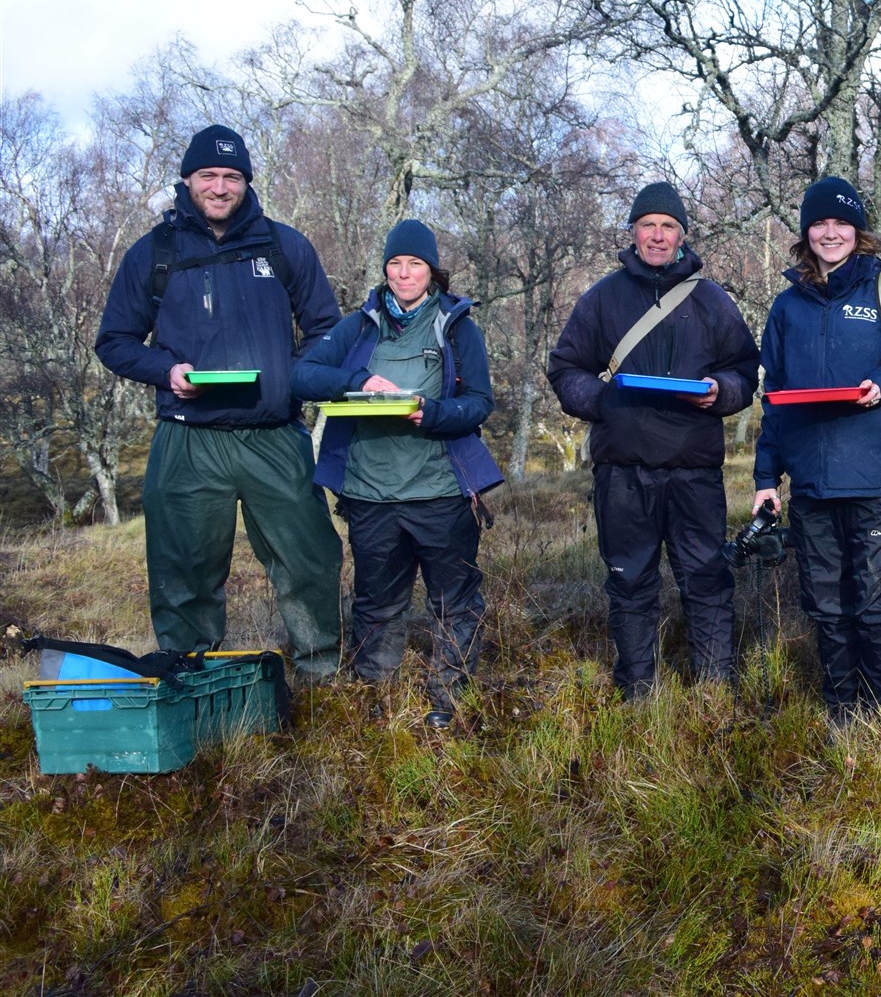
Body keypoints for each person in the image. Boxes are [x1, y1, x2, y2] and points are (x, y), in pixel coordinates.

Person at [95, 124, 344, 679]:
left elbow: (328, 328)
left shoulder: (284, 245)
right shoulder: (152, 253)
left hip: (274, 436)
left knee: (308, 560)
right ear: (187, 180)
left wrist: (293, 376)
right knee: (183, 570)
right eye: (208, 175)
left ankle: (321, 672)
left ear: (246, 183)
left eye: (232, 176)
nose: (220, 186)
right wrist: (167, 371)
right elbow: (113, 342)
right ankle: (192, 678)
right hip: (188, 437)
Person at [547, 183, 760, 698]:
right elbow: (565, 368)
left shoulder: (711, 300)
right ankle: (637, 691)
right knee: (629, 582)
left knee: (707, 581)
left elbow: (745, 370)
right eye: (649, 226)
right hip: (623, 471)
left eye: (668, 226)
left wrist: (721, 391)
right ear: (633, 233)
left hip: (695, 470)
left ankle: (714, 692)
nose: (658, 236)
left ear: (682, 235)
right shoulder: (602, 298)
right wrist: (605, 402)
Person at [752, 177, 881, 721]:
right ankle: (842, 711)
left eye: (841, 223)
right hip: (813, 486)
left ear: (857, 231)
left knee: (880, 607)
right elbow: (777, 400)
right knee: (827, 608)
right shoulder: (787, 306)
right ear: (805, 233)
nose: (831, 232)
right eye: (819, 223)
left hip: (879, 481)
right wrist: (765, 478)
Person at [293, 220, 503, 728]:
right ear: (384, 269)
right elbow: (302, 374)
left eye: (415, 264)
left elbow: (479, 404)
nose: (404, 273)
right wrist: (359, 380)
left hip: (441, 492)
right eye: (395, 263)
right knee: (377, 600)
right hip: (370, 493)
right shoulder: (360, 325)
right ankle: (376, 696)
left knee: (453, 600)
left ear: (432, 271)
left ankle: (447, 700)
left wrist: (428, 412)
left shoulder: (456, 325)